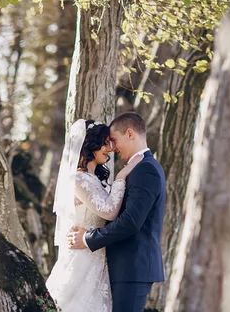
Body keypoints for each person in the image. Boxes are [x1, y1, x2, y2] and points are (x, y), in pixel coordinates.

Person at [67, 112, 166, 312]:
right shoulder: (137, 167)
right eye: (108, 142)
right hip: (119, 267)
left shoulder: (145, 169)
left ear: (130, 133)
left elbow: (130, 221)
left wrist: (88, 238)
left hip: (132, 267)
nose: (112, 148)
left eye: (114, 140)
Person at [46, 118, 143, 311]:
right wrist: (121, 177)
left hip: (99, 256)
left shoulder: (96, 180)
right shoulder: (78, 180)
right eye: (105, 143)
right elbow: (109, 212)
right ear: (90, 145)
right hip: (83, 259)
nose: (110, 148)